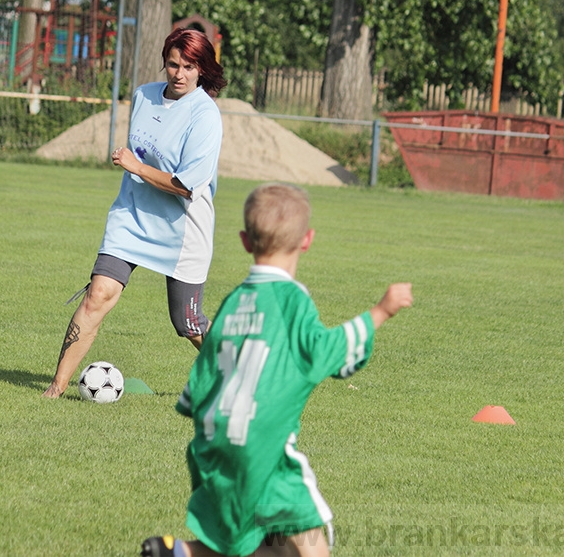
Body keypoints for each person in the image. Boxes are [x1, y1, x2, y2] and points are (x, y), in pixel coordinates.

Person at [141, 183, 414, 557]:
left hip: (213, 444)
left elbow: (202, 376)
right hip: (264, 449)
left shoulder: (234, 301)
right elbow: (326, 352)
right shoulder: (292, 301)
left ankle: (180, 552)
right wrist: (381, 312)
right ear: (307, 240)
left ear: (243, 241)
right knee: (312, 537)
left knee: (239, 540)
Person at [43, 28, 227, 399]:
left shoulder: (206, 116)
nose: (179, 73)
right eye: (173, 64)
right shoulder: (143, 96)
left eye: (189, 66)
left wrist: (135, 166)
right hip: (132, 217)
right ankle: (55, 388)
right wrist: (136, 169)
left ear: (202, 70)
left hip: (182, 230)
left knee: (188, 323)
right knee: (98, 294)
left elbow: (186, 185)